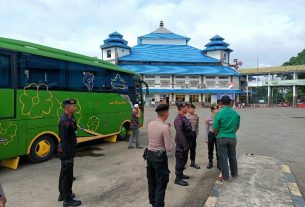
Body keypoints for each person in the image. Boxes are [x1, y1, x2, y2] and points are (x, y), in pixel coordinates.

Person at [146, 104, 175, 207]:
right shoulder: (165, 128)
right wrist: (170, 136)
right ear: (165, 114)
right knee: (161, 184)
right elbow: (169, 148)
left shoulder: (150, 124)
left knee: (152, 181)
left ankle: (153, 202)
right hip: (159, 158)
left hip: (149, 156)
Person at [58, 99, 81, 207]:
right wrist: (66, 156)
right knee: (67, 175)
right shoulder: (64, 121)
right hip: (67, 151)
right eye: (73, 106)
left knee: (64, 173)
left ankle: (62, 194)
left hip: (69, 150)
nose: (75, 107)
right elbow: (64, 140)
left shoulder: (70, 118)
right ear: (67, 108)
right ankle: (67, 200)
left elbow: (74, 128)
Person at [213, 95, 240, 181]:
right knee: (232, 156)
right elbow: (237, 127)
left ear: (221, 103)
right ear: (230, 103)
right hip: (232, 137)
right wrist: (231, 132)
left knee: (223, 158)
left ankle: (225, 177)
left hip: (222, 137)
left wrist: (217, 135)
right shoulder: (236, 114)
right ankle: (234, 174)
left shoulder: (219, 113)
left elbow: (215, 128)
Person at [174, 102, 192, 186]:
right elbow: (180, 133)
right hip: (181, 145)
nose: (187, 108)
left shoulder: (184, 117)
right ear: (181, 108)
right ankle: (178, 179)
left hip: (186, 143)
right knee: (180, 161)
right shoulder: (178, 119)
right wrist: (185, 145)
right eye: (186, 107)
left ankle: (181, 174)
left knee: (184, 160)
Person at [205, 104, 220, 169]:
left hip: (218, 135)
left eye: (217, 109)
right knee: (210, 149)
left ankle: (219, 164)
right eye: (215, 110)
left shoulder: (220, 117)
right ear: (212, 110)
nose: (216, 110)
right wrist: (206, 138)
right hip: (211, 134)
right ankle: (210, 162)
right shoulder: (208, 118)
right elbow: (206, 128)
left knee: (218, 150)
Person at [186, 104, 200, 169]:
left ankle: (193, 162)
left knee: (193, 149)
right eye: (191, 108)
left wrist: (196, 133)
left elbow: (197, 126)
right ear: (188, 109)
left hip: (193, 134)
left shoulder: (196, 116)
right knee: (185, 149)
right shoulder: (185, 116)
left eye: (193, 108)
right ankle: (183, 163)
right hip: (187, 134)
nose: (193, 110)